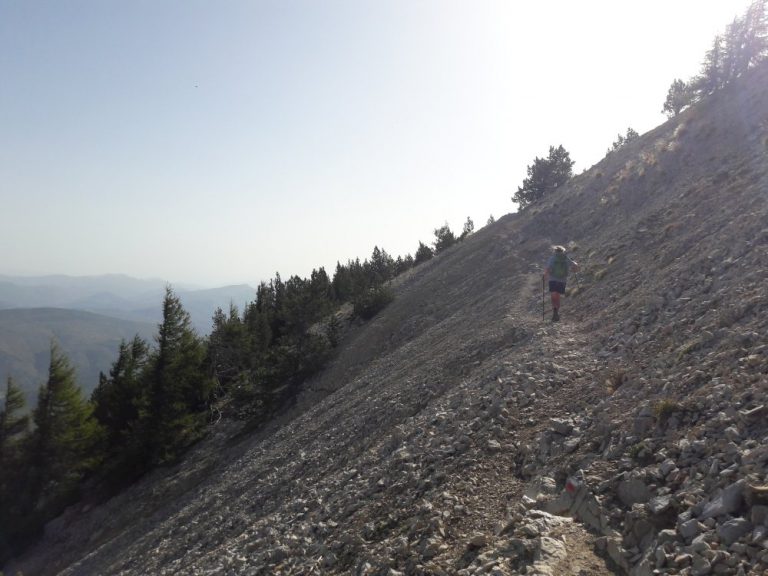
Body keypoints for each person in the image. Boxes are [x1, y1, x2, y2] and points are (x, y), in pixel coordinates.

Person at [543, 245, 579, 322]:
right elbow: (575, 265)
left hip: (553, 279)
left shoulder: (552, 258)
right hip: (562, 280)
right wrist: (574, 270)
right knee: (558, 296)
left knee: (553, 296)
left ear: (555, 251)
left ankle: (554, 311)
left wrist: (545, 276)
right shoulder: (566, 258)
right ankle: (557, 312)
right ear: (563, 251)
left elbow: (547, 269)